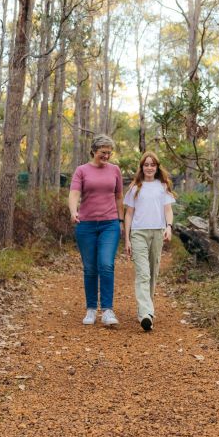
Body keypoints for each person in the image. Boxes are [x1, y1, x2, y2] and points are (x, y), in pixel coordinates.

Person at [68, 134, 123, 327]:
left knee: (106, 264)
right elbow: (74, 193)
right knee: (90, 268)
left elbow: (118, 197)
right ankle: (91, 308)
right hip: (87, 225)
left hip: (110, 224)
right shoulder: (82, 170)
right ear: (93, 151)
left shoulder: (115, 170)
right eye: (103, 152)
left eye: (109, 153)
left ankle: (107, 310)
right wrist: (73, 211)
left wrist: (121, 220)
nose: (106, 156)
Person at [122, 151, 176, 332]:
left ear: (157, 167)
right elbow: (128, 214)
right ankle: (146, 313)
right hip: (138, 233)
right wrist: (127, 239)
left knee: (153, 272)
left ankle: (146, 312)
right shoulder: (135, 188)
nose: (149, 167)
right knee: (143, 273)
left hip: (157, 233)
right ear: (142, 167)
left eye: (153, 164)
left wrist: (168, 227)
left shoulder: (163, 186)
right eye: (146, 164)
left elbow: (168, 210)